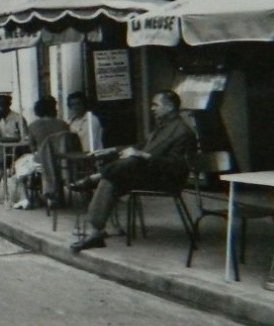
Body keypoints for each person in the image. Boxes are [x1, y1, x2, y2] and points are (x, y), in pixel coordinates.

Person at [69, 90, 198, 251]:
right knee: (112, 179)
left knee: (130, 162)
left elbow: (177, 166)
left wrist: (144, 156)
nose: (152, 108)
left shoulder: (182, 132)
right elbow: (140, 146)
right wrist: (112, 150)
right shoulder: (162, 128)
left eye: (155, 105)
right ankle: (96, 232)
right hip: (149, 174)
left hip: (166, 178)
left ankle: (94, 179)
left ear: (170, 107)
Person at [12, 96, 69, 209]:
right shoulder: (63, 124)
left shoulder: (33, 126)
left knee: (19, 165)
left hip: (42, 161)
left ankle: (24, 198)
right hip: (63, 160)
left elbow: (32, 147)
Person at [0, 93, 29, 202]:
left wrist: (11, 139)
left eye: (3, 106)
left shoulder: (18, 118)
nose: (1, 108)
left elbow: (24, 138)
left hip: (18, 151)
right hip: (4, 151)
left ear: (9, 105)